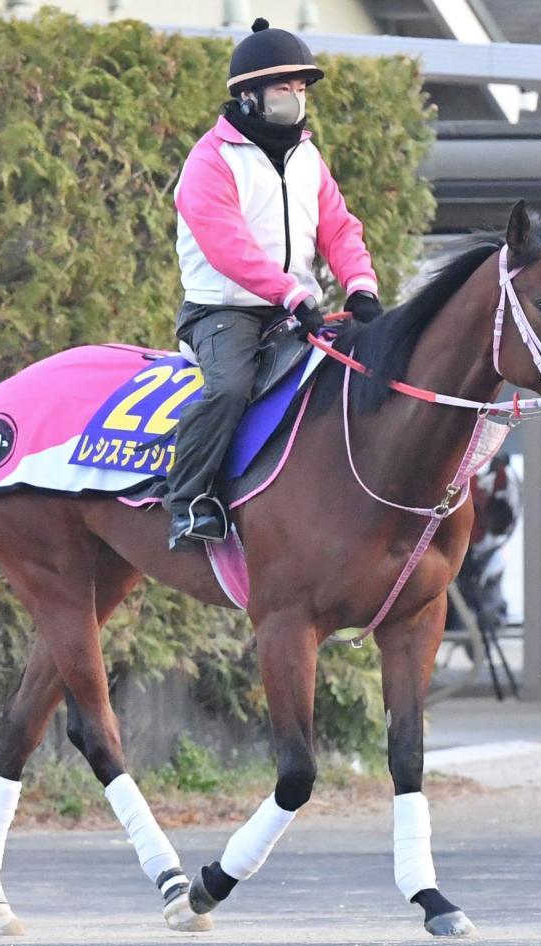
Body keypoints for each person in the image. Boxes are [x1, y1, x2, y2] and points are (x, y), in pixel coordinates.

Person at [164, 17, 382, 550]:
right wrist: (292, 293)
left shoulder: (308, 157)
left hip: (293, 308)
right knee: (231, 389)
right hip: (223, 312)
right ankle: (187, 501)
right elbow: (227, 246)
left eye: (301, 88)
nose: (296, 98)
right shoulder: (209, 161)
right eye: (284, 88)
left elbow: (338, 226)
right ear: (249, 96)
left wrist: (360, 285)